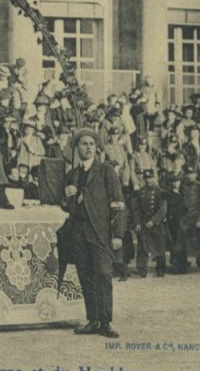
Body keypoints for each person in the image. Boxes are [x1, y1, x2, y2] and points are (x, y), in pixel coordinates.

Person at [58, 128, 126, 338]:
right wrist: (67, 199)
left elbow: (118, 204)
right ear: (77, 148)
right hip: (78, 232)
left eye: (91, 144)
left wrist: (118, 234)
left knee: (104, 274)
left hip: (101, 232)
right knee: (85, 275)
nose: (87, 148)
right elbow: (66, 206)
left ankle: (105, 322)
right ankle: (93, 319)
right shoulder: (72, 175)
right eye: (83, 144)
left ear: (96, 149)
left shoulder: (106, 171)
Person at [172, 165, 200, 274]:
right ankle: (181, 266)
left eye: (193, 174)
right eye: (188, 174)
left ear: (196, 175)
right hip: (185, 218)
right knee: (180, 243)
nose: (190, 176)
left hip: (196, 217)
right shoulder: (183, 186)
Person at [133, 169, 168, 277]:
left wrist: (153, 221)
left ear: (154, 178)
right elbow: (136, 209)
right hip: (144, 223)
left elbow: (162, 209)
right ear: (144, 179)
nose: (149, 180)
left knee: (160, 247)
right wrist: (138, 223)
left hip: (156, 223)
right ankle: (142, 269)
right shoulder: (140, 192)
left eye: (151, 178)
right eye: (147, 178)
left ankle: (161, 270)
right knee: (142, 247)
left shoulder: (160, 192)